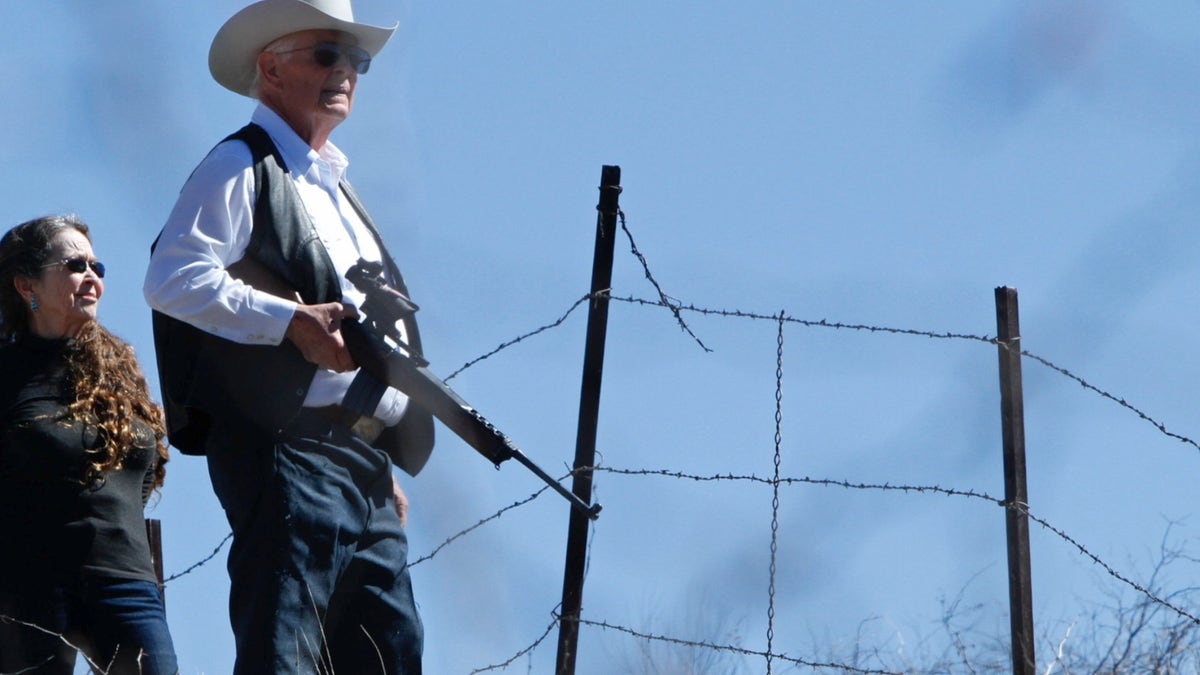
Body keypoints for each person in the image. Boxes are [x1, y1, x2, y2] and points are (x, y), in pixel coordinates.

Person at [143, 0, 435, 672]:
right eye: (327, 55)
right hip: (287, 449)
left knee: (390, 652)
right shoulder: (238, 165)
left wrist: (379, 452)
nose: (347, 72)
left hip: (359, 459)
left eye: (354, 60)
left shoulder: (337, 188)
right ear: (270, 67)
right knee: (287, 649)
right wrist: (289, 322)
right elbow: (171, 276)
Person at [0, 215, 177, 674]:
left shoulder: (120, 370)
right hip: (31, 585)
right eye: (75, 265)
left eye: (98, 267)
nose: (93, 277)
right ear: (26, 285)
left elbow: (143, 472)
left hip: (126, 580)